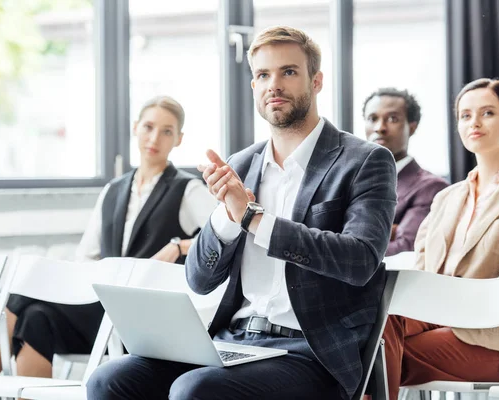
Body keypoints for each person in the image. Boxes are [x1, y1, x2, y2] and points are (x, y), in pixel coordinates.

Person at [87, 26, 397, 400]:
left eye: (289, 72)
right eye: (263, 75)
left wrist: (254, 218)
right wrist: (228, 218)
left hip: (310, 353)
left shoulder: (365, 161)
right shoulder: (241, 165)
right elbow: (200, 279)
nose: (274, 84)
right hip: (231, 340)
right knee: (110, 379)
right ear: (253, 86)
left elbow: (360, 260)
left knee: (195, 390)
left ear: (316, 81)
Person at [0, 96, 217, 379]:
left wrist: (179, 247)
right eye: (148, 127)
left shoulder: (188, 189)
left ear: (179, 139)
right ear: (136, 127)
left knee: (22, 294)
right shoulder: (113, 190)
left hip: (143, 319)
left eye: (167, 131)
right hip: (102, 310)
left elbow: (224, 235)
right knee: (35, 317)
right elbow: (85, 258)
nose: (154, 138)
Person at [383, 78, 499, 399]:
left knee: (366, 354)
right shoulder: (445, 198)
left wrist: (442, 304)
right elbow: (421, 275)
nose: (474, 122)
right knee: (371, 326)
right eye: (465, 115)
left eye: (487, 113)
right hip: (436, 322)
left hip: (498, 339)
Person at [363, 88, 448, 256]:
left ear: (412, 127)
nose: (380, 127)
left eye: (392, 119)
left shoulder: (431, 188)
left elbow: (406, 249)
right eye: (373, 119)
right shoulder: (351, 181)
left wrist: (347, 246)